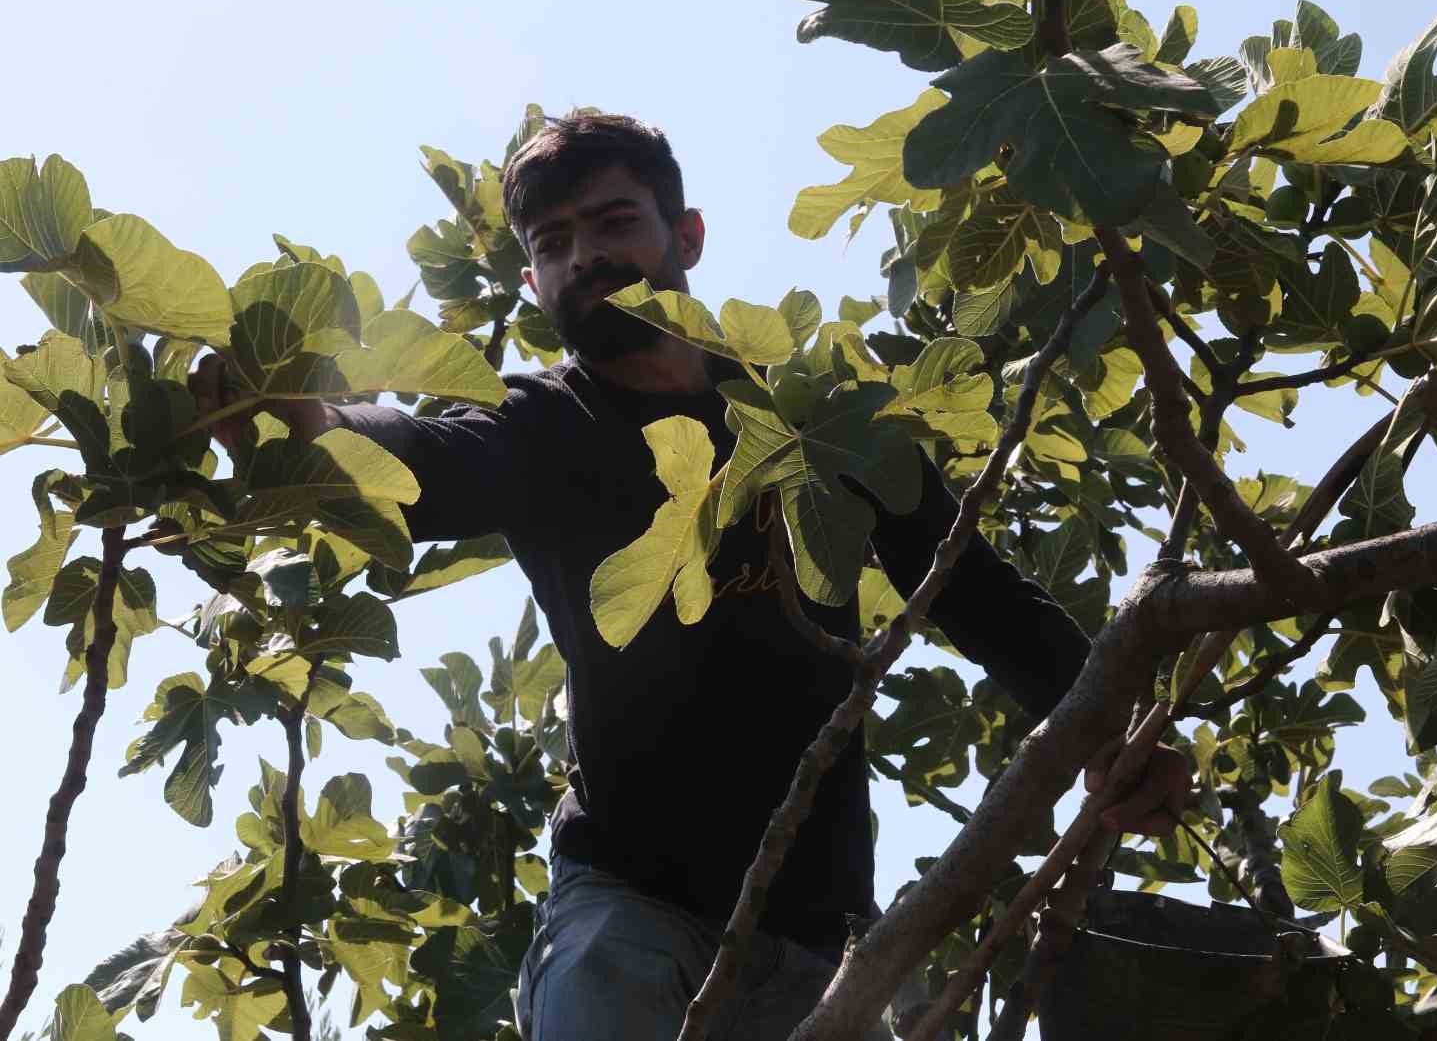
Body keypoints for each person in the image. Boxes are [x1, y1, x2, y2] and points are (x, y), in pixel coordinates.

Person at [191, 112, 1190, 1041]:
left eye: (613, 221)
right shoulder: (542, 427)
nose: (584, 255)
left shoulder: (819, 417)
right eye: (550, 243)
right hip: (629, 907)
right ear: (533, 281)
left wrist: (1114, 728)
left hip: (823, 934)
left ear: (689, 235)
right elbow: (419, 464)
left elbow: (972, 589)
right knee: (593, 976)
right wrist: (309, 424)